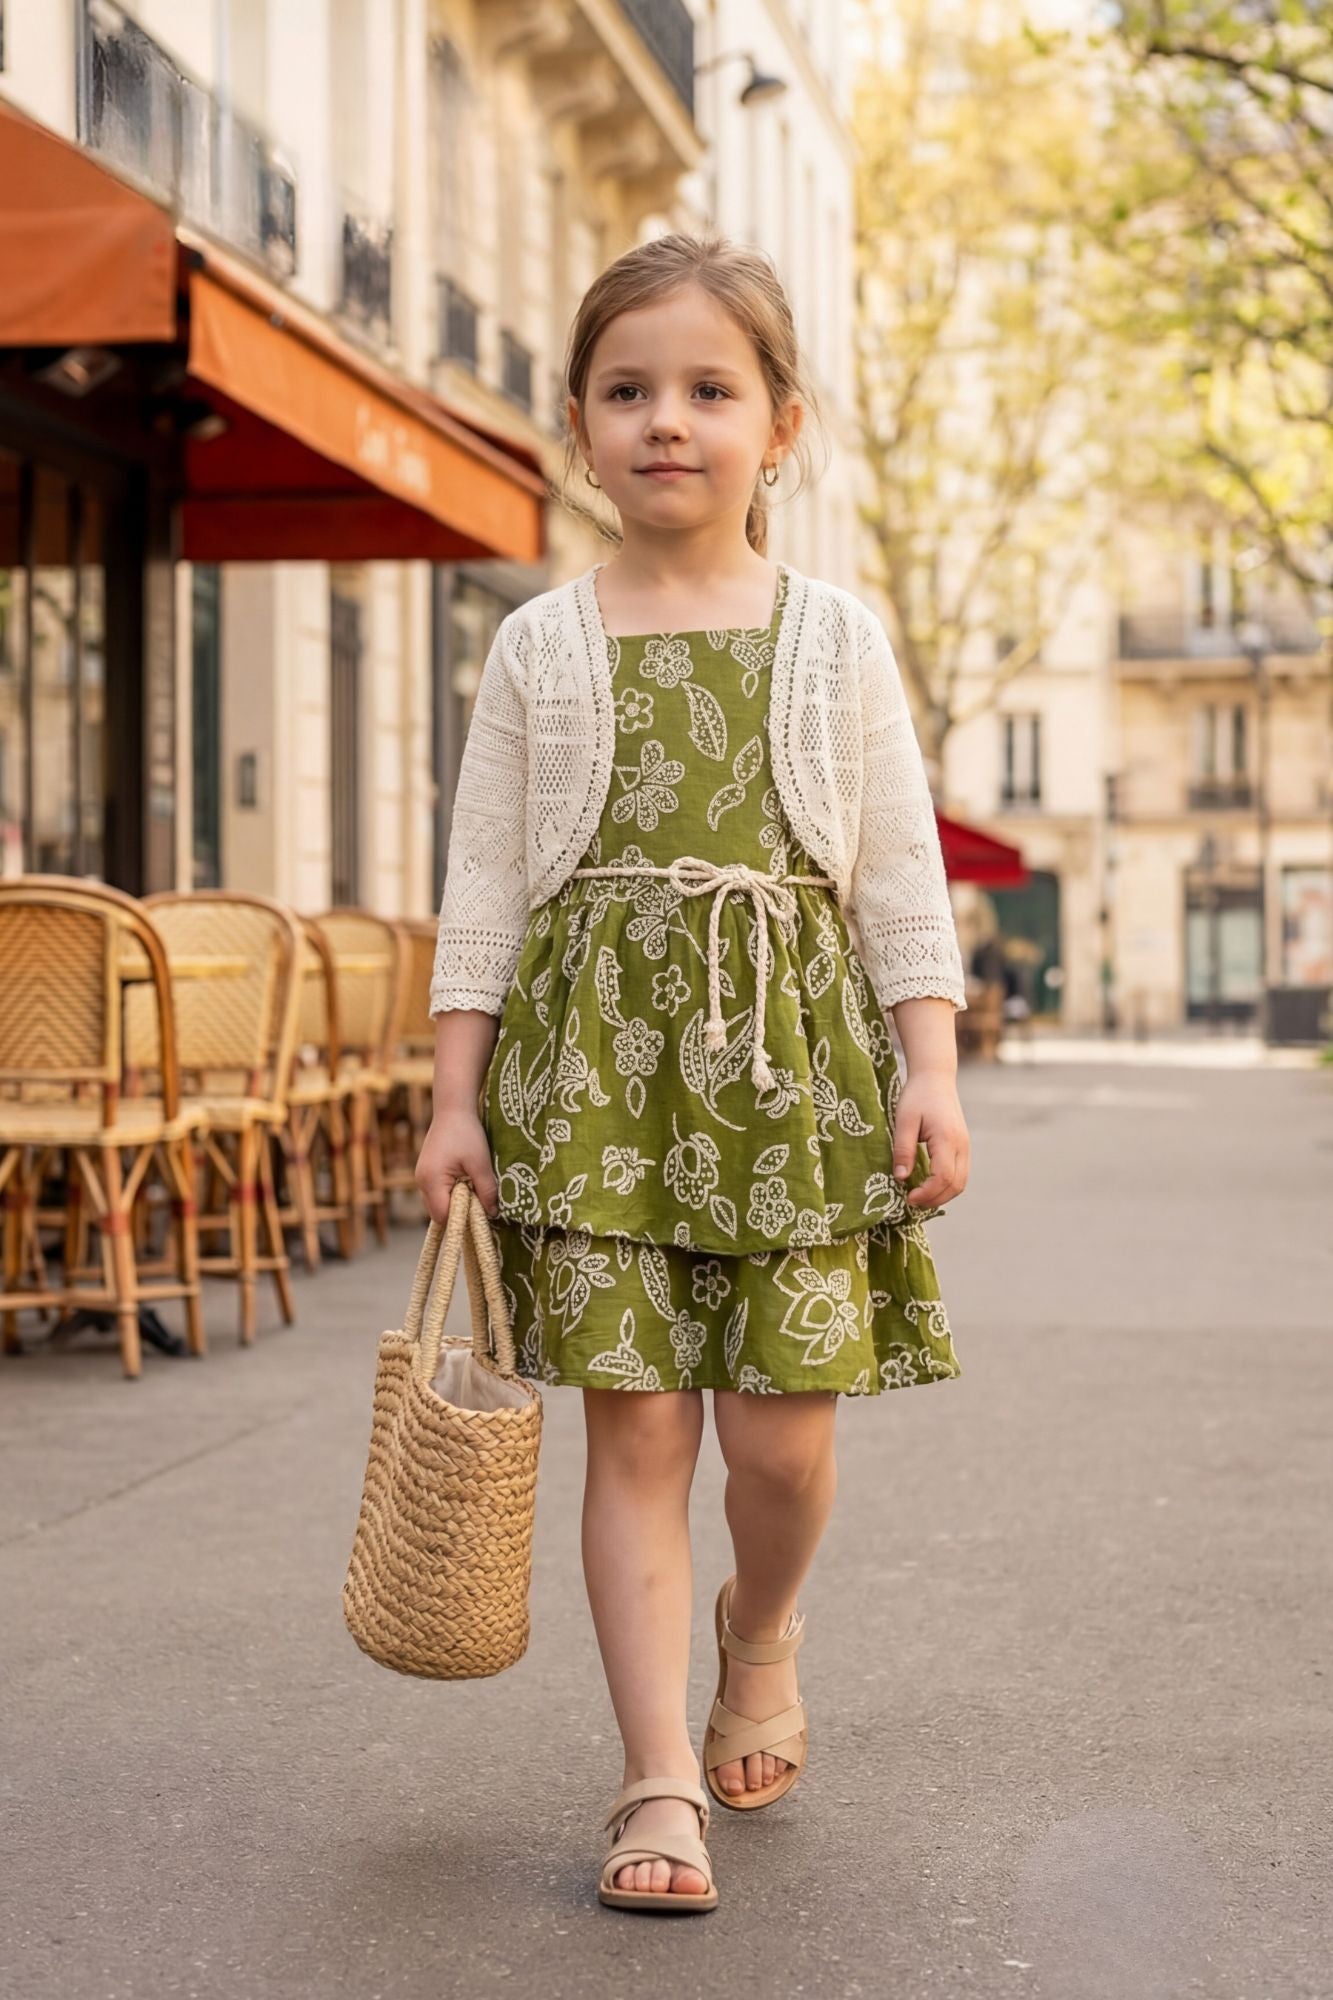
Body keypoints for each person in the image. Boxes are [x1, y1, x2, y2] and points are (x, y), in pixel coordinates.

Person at [416, 232, 971, 1914]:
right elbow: (484, 884)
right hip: (594, 1067)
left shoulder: (835, 637)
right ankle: (654, 1774)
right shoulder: (538, 644)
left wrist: (929, 1070)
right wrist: (454, 1097)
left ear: (779, 427)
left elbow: (897, 873)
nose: (667, 419)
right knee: (641, 1427)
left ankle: (761, 1624)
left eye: (709, 390)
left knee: (779, 1445)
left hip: (793, 1064)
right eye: (627, 390)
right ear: (581, 428)